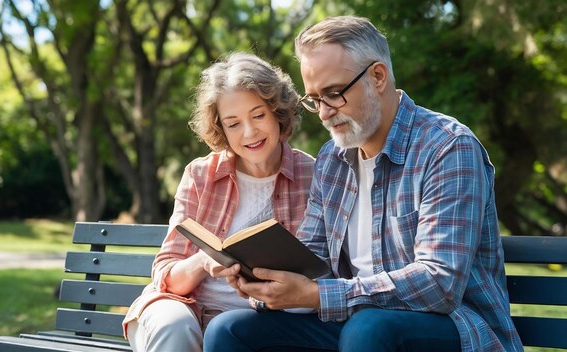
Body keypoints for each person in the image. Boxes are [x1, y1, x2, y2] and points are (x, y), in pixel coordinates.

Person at [204, 16, 523, 352]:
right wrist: (265, 280)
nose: (324, 112)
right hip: (357, 325)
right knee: (230, 330)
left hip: (456, 328)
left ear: (378, 76)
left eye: (334, 94)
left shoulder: (447, 148)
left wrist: (316, 295)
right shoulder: (332, 160)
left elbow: (440, 283)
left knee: (369, 326)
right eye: (314, 99)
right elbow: (311, 259)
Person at [122, 52, 315, 352]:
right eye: (233, 123)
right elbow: (166, 276)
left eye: (258, 115)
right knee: (173, 326)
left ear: (278, 111)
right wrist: (203, 261)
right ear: (221, 128)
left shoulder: (312, 175)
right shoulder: (200, 175)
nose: (249, 133)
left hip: (263, 323)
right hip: (187, 309)